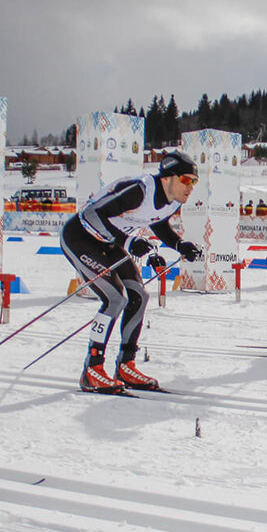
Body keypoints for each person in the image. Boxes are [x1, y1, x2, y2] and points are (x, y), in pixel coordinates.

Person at [60, 150, 203, 393]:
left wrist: (179, 245)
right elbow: (92, 214)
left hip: (110, 242)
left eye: (195, 181)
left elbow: (158, 221)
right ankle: (92, 369)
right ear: (168, 177)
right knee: (115, 298)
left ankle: (125, 365)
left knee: (138, 295)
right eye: (186, 180)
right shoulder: (140, 190)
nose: (191, 187)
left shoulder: (174, 201)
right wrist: (127, 243)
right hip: (80, 237)